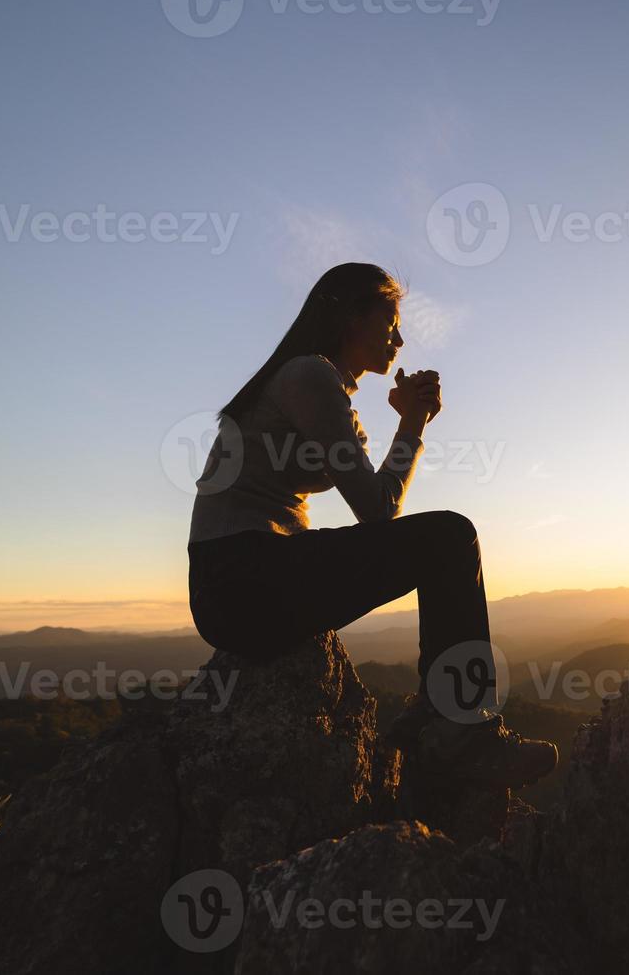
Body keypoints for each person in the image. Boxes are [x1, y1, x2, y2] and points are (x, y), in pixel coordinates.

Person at [186, 262, 557, 789]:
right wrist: (410, 424)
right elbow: (379, 511)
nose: (400, 338)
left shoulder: (315, 383)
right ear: (349, 319)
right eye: (389, 322)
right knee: (451, 537)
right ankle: (460, 732)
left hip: (238, 582)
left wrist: (411, 422)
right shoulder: (308, 375)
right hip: (244, 576)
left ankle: (439, 721)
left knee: (445, 540)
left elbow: (378, 505)